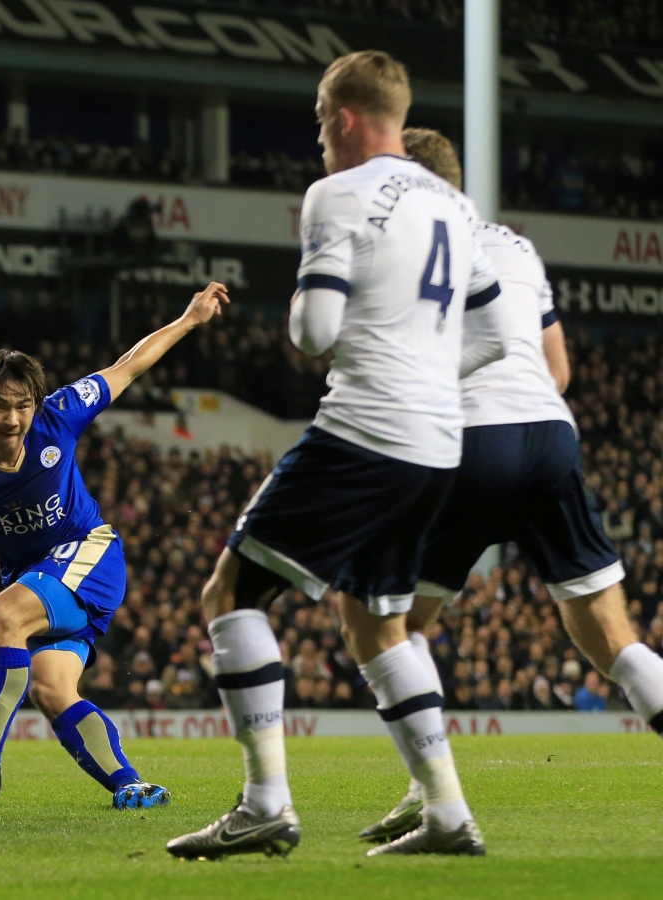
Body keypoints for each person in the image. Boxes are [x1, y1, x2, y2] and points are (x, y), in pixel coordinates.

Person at [166, 51, 506, 861]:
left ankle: (264, 805)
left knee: (231, 594)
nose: (319, 138)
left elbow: (313, 332)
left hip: (364, 429)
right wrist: (425, 369)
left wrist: (316, 310)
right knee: (376, 621)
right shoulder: (457, 207)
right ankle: (448, 813)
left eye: (321, 120)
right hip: (437, 444)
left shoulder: (337, 193)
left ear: (347, 117)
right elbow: (494, 335)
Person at [355, 128, 663, 844]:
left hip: (467, 440)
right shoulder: (517, 246)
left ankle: (434, 797)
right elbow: (559, 370)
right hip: (550, 436)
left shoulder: (400, 244)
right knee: (609, 634)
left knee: (391, 628)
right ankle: (424, 795)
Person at [0, 281, 229, 810]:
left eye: (23, 406)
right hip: (38, 578)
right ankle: (129, 784)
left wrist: (190, 319)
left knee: (5, 615)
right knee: (51, 689)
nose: (13, 419)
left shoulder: (60, 414)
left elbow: (128, 366)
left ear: (36, 404)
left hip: (90, 553)